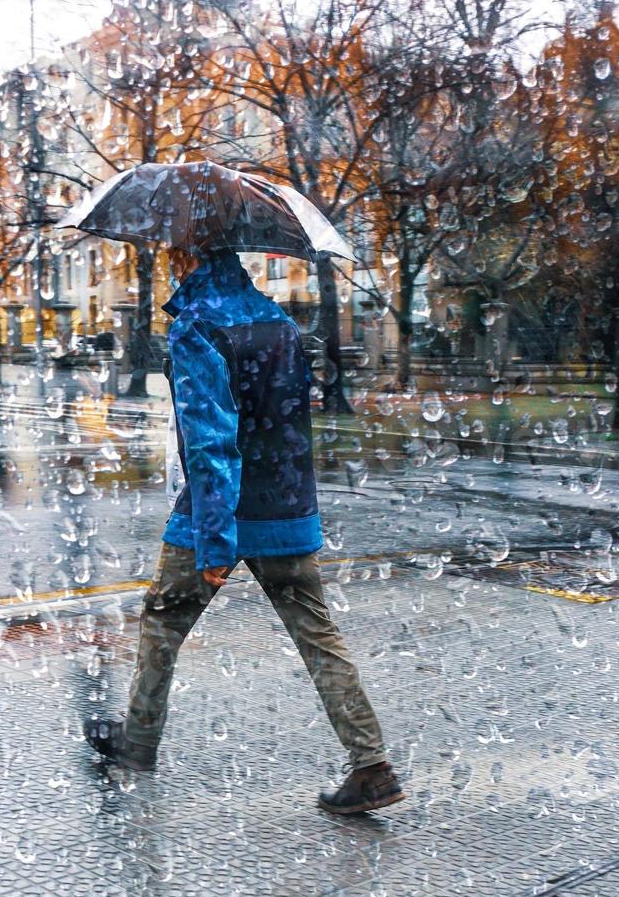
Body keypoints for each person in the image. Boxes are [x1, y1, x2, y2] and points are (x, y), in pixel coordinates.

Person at [84, 245, 403, 815]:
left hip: (218, 510)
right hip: (286, 507)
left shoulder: (198, 326)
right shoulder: (278, 322)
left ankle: (137, 743)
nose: (166, 257)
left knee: (164, 620)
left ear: (186, 252)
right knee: (317, 634)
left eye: (171, 248)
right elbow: (286, 419)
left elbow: (210, 441)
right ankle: (372, 766)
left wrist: (214, 537)